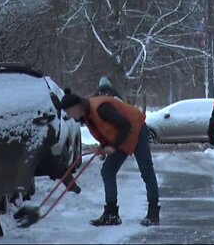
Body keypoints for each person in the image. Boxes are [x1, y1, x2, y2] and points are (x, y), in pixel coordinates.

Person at [61, 88, 160, 226]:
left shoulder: (101, 108)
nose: (69, 116)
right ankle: (111, 214)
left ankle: (153, 212)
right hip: (123, 136)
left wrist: (112, 147)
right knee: (108, 170)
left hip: (136, 129)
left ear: (77, 106)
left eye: (69, 112)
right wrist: (103, 147)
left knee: (146, 170)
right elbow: (107, 130)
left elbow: (125, 124)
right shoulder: (88, 116)